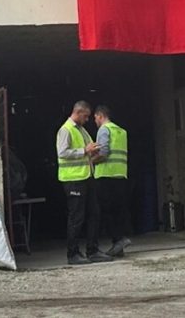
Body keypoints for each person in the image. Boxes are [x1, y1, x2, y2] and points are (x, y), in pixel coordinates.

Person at [56, 101, 109, 265]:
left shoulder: (82, 130)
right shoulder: (66, 130)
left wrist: (94, 150)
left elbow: (88, 148)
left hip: (86, 177)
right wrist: (85, 150)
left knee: (94, 213)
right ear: (78, 113)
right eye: (85, 116)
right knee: (76, 217)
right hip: (73, 179)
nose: (87, 119)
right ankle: (72, 254)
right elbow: (62, 152)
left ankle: (92, 250)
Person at [93, 105, 132, 257]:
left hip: (105, 175)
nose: (95, 121)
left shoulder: (104, 130)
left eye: (95, 118)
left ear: (100, 115)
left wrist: (89, 161)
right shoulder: (121, 131)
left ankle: (118, 240)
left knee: (105, 211)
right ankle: (119, 246)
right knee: (118, 211)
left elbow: (103, 152)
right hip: (120, 175)